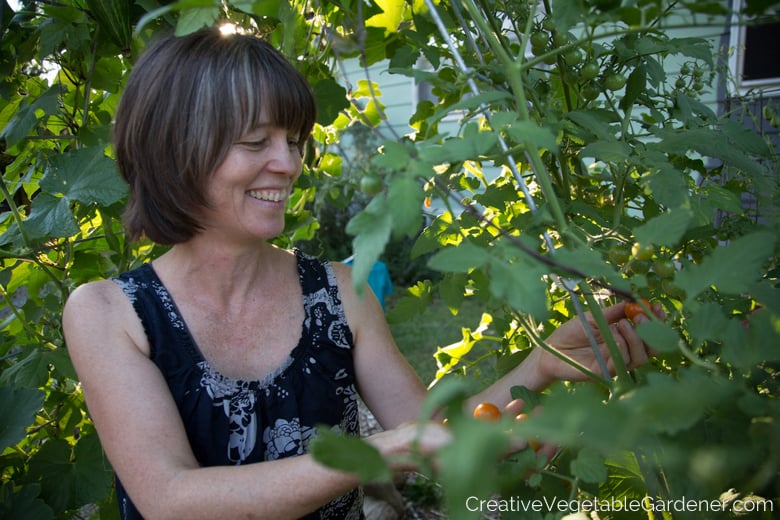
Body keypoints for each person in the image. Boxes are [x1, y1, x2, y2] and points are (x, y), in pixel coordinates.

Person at [62, 27, 664, 520]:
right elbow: (170, 500)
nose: (289, 163)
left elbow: (430, 434)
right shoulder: (111, 314)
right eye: (256, 141)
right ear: (176, 149)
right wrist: (376, 452)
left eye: (294, 140)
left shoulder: (337, 294)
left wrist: (545, 365)